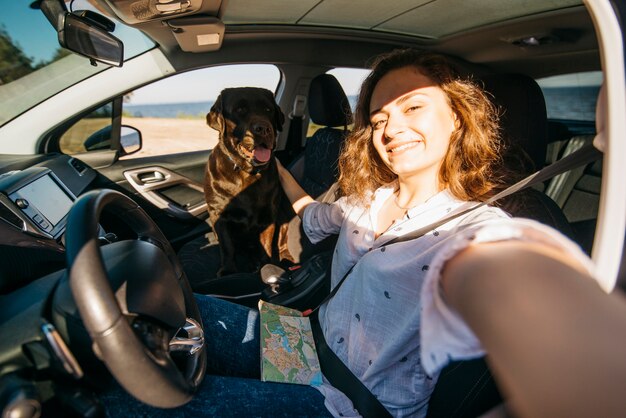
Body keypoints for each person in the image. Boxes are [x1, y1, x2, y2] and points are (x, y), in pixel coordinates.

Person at [102, 49, 599, 417]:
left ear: (458, 117)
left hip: (349, 403)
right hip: (302, 343)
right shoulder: (369, 199)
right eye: (379, 118)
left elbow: (536, 305)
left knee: (140, 404)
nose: (390, 128)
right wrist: (275, 170)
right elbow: (310, 214)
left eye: (413, 108)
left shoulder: (479, 230)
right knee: (163, 307)